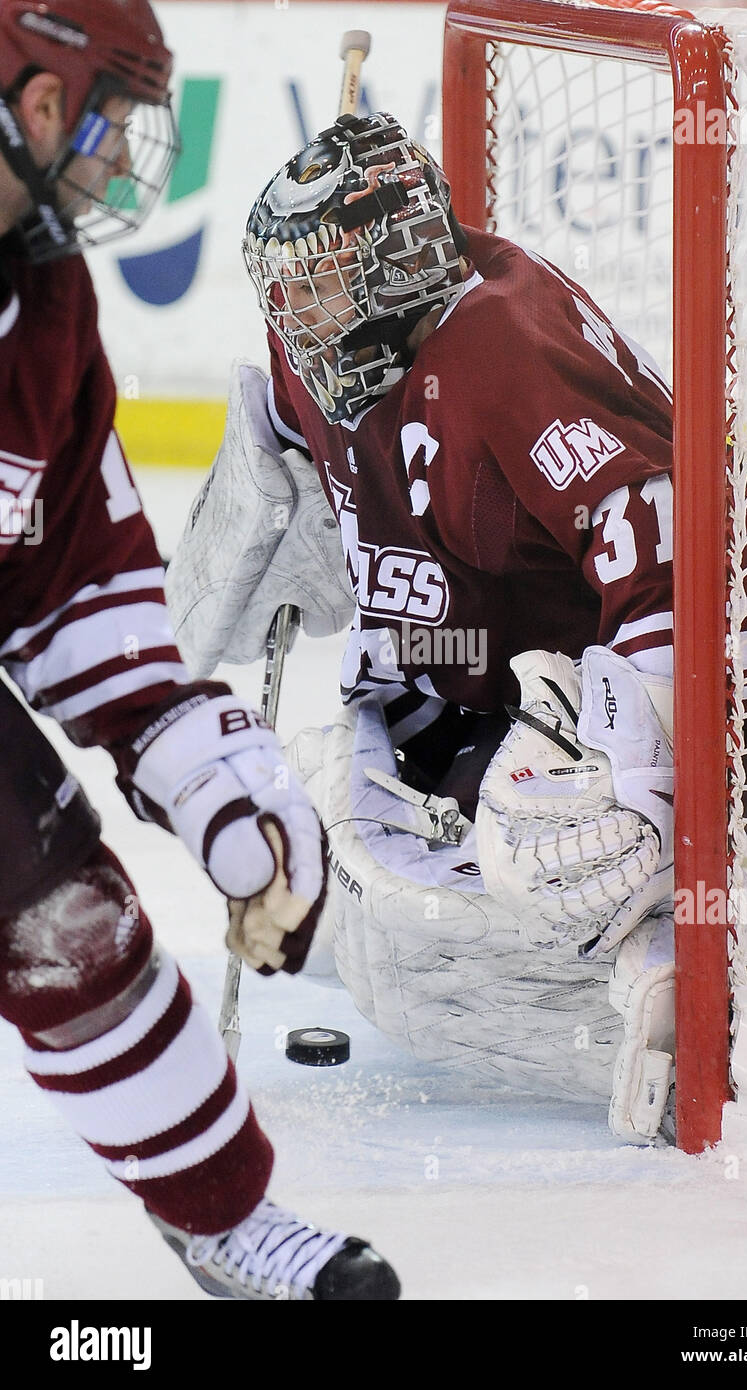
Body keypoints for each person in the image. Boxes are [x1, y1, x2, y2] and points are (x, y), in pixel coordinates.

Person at [167, 111, 747, 1144]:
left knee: (558, 828)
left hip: (726, 634)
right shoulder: (319, 346)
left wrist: (651, 770)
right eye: (285, 287)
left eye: (328, 281)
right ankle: (575, 890)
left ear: (404, 266)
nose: (301, 311)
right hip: (516, 652)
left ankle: (673, 949)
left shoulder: (500, 347)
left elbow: (663, 534)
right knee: (335, 773)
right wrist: (278, 480)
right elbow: (316, 452)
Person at [0, 2, 399, 1301]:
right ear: (45, 102)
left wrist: (204, 764)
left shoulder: (42, 301)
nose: (124, 157)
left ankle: (221, 1214)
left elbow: (74, 569)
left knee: (67, 917)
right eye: (113, 112)